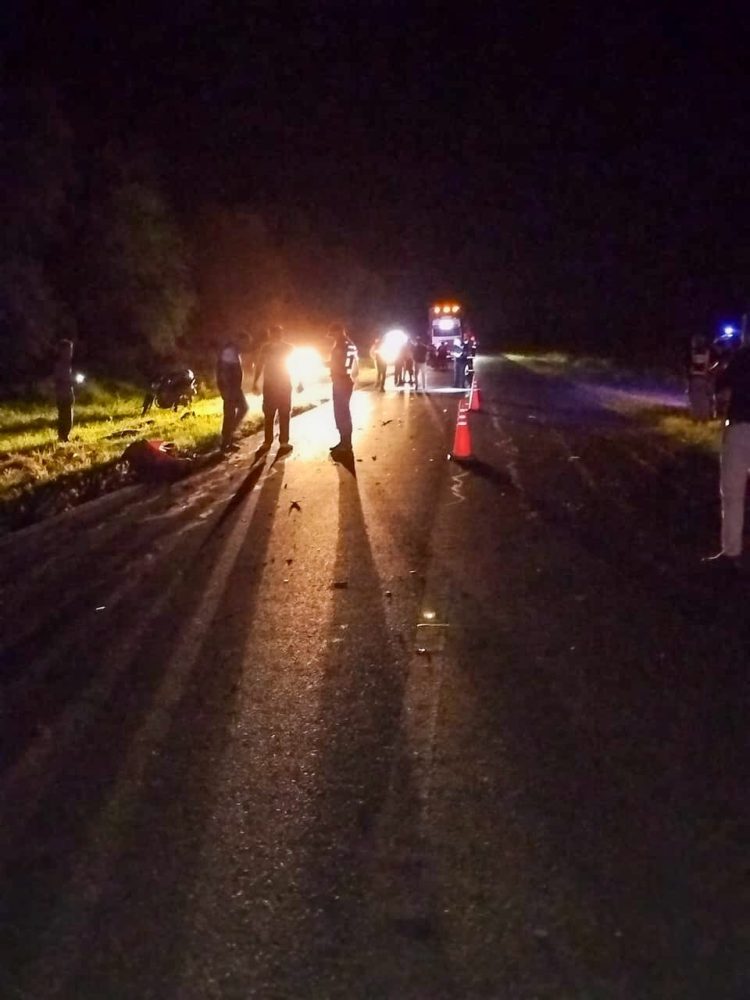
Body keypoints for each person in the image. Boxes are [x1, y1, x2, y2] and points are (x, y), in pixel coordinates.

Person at [706, 338, 750, 568]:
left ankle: (732, 551)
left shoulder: (742, 356)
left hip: (741, 427)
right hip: (740, 427)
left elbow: (719, 386)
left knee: (733, 493)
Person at [252, 325, 295, 451]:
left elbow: (294, 364)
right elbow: (260, 364)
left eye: (276, 334)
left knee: (284, 412)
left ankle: (283, 441)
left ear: (280, 335)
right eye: (273, 334)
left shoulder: (288, 348)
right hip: (272, 385)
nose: (274, 337)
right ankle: (269, 441)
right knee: (270, 413)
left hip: (283, 384)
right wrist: (255, 381)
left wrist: (300, 380)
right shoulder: (266, 348)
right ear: (270, 335)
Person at [216, 339, 249, 452]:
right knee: (231, 414)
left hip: (235, 388)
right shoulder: (229, 353)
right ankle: (226, 441)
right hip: (230, 388)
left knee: (240, 410)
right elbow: (222, 372)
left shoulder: (235, 353)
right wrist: (224, 389)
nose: (246, 346)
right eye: (246, 342)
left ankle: (228, 439)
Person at [328, 323, 355, 453]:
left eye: (333, 334)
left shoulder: (343, 345)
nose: (332, 337)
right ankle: (344, 441)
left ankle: (346, 443)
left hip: (342, 381)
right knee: (342, 412)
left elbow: (341, 364)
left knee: (342, 413)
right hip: (343, 380)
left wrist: (333, 368)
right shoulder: (348, 344)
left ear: (340, 332)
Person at [686, 334, 714, 421]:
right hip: (703, 377)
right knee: (704, 398)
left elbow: (691, 366)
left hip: (695, 377)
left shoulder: (693, 353)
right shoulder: (706, 353)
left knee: (696, 398)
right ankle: (703, 417)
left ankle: (697, 416)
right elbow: (706, 366)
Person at [53, 339, 75, 442]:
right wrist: (69, 382)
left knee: (67, 416)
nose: (70, 353)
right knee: (64, 417)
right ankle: (63, 436)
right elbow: (59, 380)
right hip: (62, 395)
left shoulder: (67, 365)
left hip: (68, 394)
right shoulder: (60, 365)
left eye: (70, 350)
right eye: (68, 350)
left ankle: (64, 436)